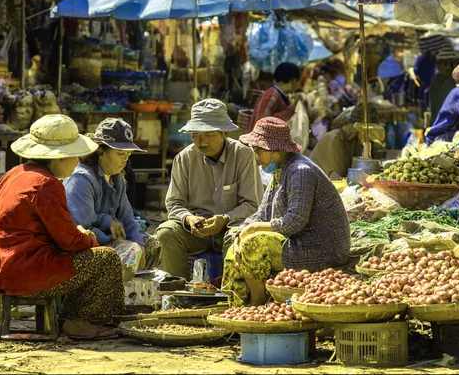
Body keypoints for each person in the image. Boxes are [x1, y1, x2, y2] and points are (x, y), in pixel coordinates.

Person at [0, 115, 124, 339]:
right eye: (74, 156)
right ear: (59, 158)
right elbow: (69, 241)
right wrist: (88, 238)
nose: (77, 162)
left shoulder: (13, 174)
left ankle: (70, 319)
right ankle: (76, 323)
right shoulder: (47, 184)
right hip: (27, 272)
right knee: (106, 258)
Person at [224, 117, 351, 306]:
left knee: (252, 244)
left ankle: (257, 303)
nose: (257, 158)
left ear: (276, 150)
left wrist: (253, 229)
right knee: (234, 247)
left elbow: (294, 222)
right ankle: (237, 306)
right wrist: (241, 230)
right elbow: (262, 213)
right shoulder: (280, 171)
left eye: (259, 151)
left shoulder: (301, 171)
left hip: (319, 248)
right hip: (296, 241)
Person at [156, 99, 263, 280]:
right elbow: (174, 203)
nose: (202, 142)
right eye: (196, 135)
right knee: (166, 233)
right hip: (196, 231)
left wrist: (226, 218)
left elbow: (252, 204)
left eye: (209, 135)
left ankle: (233, 295)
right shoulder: (184, 159)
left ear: (225, 133)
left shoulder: (243, 155)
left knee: (238, 237)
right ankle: (178, 294)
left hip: (230, 226)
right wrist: (188, 218)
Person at [64, 118, 161, 287]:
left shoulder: (117, 179)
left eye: (128, 155)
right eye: (120, 154)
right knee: (129, 252)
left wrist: (139, 244)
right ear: (101, 152)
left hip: (110, 241)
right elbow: (82, 231)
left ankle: (131, 296)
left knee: (151, 244)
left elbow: (128, 218)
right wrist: (110, 226)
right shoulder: (81, 181)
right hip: (87, 249)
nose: (125, 160)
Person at [310, 105, 382, 179]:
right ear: (358, 127)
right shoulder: (334, 139)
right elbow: (336, 179)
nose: (369, 137)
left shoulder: (355, 141)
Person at [247, 62, 302, 132]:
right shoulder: (272, 95)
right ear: (293, 81)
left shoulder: (280, 95)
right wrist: (291, 108)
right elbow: (262, 122)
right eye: (298, 82)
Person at [428, 47, 458, 117]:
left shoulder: (455, 80)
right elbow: (433, 106)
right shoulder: (435, 81)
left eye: (451, 63)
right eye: (445, 63)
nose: (449, 67)